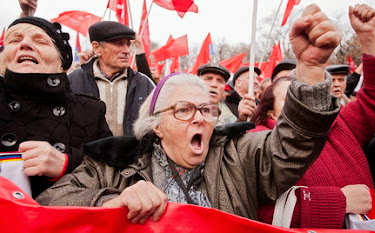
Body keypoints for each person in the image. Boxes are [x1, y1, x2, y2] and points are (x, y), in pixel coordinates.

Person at [36, 3, 341, 224]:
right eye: (183, 109)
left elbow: (293, 146)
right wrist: (111, 201)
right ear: (156, 125)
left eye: (207, 109)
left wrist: (311, 71)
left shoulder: (239, 155)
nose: (199, 118)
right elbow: (50, 201)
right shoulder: (114, 164)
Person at [256, 4, 375, 229]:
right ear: (270, 112)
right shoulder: (254, 141)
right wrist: (339, 202)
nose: (304, 103)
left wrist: (368, 35)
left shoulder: (339, 125)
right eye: (292, 99)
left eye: (309, 92)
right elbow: (254, 207)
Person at [0, 16, 112, 198]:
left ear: (62, 61)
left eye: (40, 41)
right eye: (14, 40)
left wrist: (67, 164)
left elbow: (113, 173)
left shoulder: (89, 111)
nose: (25, 44)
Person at [68, 21, 155, 136]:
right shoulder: (73, 81)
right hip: (86, 154)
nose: (127, 51)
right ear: (97, 48)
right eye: (119, 44)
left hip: (132, 154)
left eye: (128, 44)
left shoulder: (144, 83)